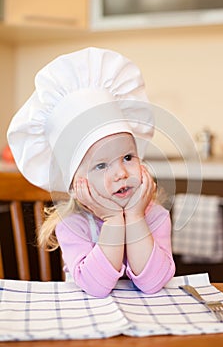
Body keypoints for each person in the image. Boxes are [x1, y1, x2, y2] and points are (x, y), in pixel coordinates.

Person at [7, 47, 175, 297]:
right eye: (101, 165)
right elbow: (97, 288)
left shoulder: (154, 216)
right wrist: (115, 220)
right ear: (76, 184)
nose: (120, 172)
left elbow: (152, 284)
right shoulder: (73, 224)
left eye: (127, 157)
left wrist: (135, 217)